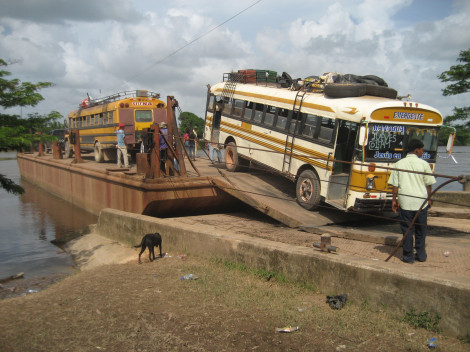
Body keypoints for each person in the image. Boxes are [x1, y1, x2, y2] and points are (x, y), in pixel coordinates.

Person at [388, 139, 436, 263]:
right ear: (416, 150)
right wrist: (429, 199)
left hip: (405, 202)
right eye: (421, 149)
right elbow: (428, 184)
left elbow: (395, 185)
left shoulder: (399, 164)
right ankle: (421, 255)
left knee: (407, 230)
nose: (422, 152)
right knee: (421, 230)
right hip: (421, 202)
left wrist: (394, 200)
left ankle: (408, 256)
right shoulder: (424, 164)